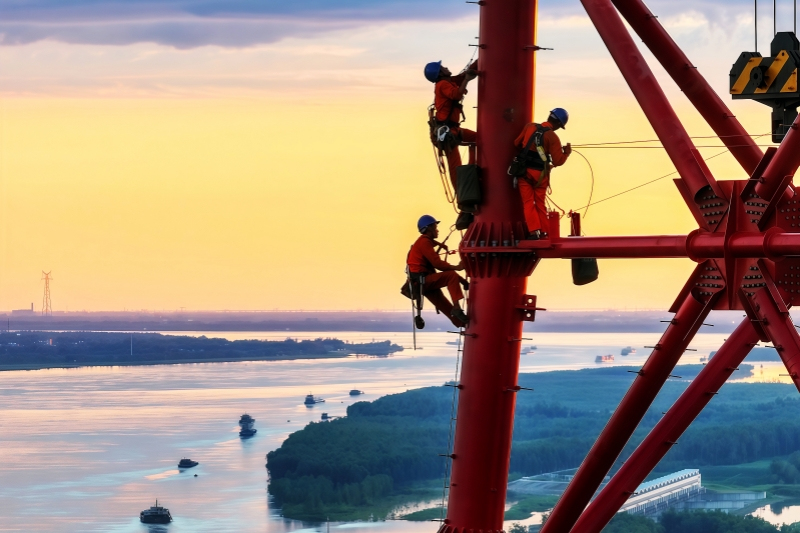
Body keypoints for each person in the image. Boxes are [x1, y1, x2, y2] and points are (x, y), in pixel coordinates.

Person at [514, 108, 572, 240]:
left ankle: (534, 232)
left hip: (525, 173)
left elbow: (516, 143)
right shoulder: (552, 137)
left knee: (528, 202)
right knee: (540, 203)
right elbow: (558, 161)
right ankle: (545, 232)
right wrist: (566, 153)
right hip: (540, 176)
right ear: (558, 124)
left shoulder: (529, 127)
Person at [406, 215, 469, 327]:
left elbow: (441, 269)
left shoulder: (424, 242)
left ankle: (463, 323)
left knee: (447, 309)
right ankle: (457, 307)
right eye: (435, 227)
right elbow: (438, 264)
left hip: (421, 284)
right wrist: (457, 267)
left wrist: (464, 282)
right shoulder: (424, 242)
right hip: (424, 281)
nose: (437, 230)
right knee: (450, 276)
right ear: (429, 228)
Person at [425, 60, 479, 187]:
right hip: (448, 133)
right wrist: (466, 80)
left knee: (478, 139)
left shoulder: (448, 82)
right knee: (455, 165)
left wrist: (478, 62)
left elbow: (462, 77)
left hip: (452, 130)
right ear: (440, 73)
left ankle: (471, 177)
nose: (446, 67)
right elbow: (456, 95)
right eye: (442, 67)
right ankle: (461, 193)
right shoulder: (443, 84)